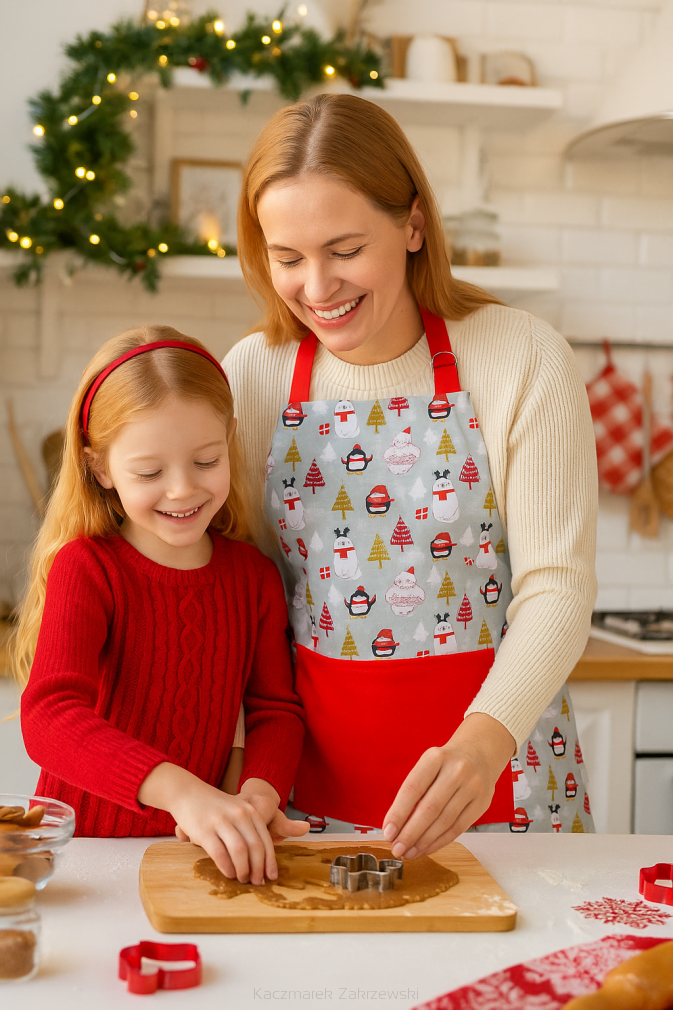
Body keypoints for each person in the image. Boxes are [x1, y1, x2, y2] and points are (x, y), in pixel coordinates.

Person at [224, 93, 598, 854]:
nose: (317, 287)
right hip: (306, 804)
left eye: (345, 248)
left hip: (503, 782)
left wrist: (484, 743)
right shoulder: (253, 375)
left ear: (413, 225)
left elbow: (556, 586)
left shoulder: (519, 355)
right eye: (288, 258)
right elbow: (243, 592)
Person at [15, 325, 308, 885]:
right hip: (85, 857)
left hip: (195, 857)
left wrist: (258, 796)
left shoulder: (253, 578)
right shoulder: (89, 568)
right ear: (98, 467)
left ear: (231, 439)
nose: (182, 490)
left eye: (205, 461)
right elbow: (49, 718)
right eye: (150, 472)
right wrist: (184, 794)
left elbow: (275, 710)